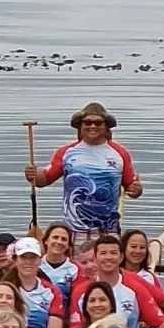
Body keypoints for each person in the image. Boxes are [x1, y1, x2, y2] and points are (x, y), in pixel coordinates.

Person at [23, 102, 141, 245]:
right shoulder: (66, 152)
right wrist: (33, 176)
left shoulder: (120, 153)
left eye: (98, 123)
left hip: (108, 230)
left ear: (106, 127)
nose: (92, 126)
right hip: (73, 230)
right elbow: (45, 179)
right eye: (87, 122)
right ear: (80, 126)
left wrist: (136, 190)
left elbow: (132, 188)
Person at [3, 237, 64, 328]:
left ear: (40, 260)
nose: (28, 262)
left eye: (33, 257)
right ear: (15, 260)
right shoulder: (3, 288)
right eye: (23, 257)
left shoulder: (52, 292)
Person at [39, 223, 78, 302]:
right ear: (46, 240)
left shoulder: (75, 269)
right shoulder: (35, 265)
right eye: (55, 237)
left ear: (68, 245)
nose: (59, 242)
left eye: (64, 239)